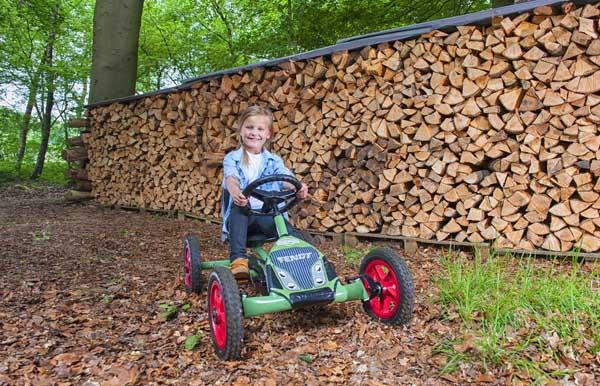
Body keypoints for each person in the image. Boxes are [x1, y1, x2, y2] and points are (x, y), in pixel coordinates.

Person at [221, 105, 309, 279]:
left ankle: (302, 261)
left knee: (289, 230)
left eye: (260, 129)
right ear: (240, 130)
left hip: (268, 217)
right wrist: (236, 192)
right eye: (249, 127)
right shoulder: (232, 158)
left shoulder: (273, 160)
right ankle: (239, 259)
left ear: (268, 134)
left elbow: (284, 177)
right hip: (244, 222)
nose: (254, 133)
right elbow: (231, 179)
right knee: (239, 211)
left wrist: (297, 187)